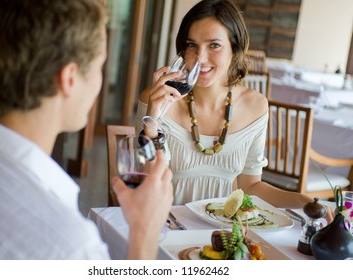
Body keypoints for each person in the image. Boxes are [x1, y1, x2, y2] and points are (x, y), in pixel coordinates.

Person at [0, 0, 173, 260]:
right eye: (99, 67)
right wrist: (144, 231)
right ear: (69, 79)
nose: (100, 79)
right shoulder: (70, 247)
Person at [136, 0, 332, 218]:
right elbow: (144, 177)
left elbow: (251, 186)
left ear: (235, 49)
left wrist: (302, 200)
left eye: (214, 45)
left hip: (224, 236)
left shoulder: (256, 106)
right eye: (192, 45)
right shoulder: (159, 99)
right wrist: (151, 122)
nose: (200, 58)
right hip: (165, 226)